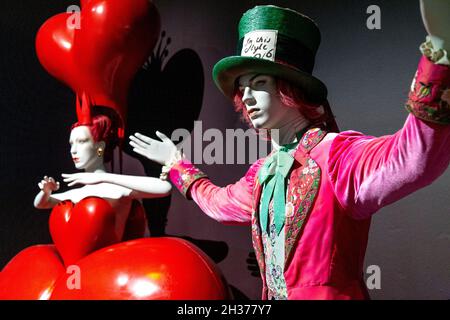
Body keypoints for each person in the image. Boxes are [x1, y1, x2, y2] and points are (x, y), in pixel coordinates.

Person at [129, 2, 448, 300]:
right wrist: (175, 163)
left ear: (289, 87)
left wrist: (439, 55)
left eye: (259, 83)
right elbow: (218, 203)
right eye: (243, 87)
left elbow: (412, 158)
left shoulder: (337, 156)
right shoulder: (262, 173)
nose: (248, 96)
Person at [34, 107, 172, 243]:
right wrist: (45, 191)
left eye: (81, 142)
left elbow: (164, 188)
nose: (73, 150)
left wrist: (103, 177)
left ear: (100, 146)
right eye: (71, 143)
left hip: (114, 262)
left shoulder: (116, 189)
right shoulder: (76, 193)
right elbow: (41, 203)